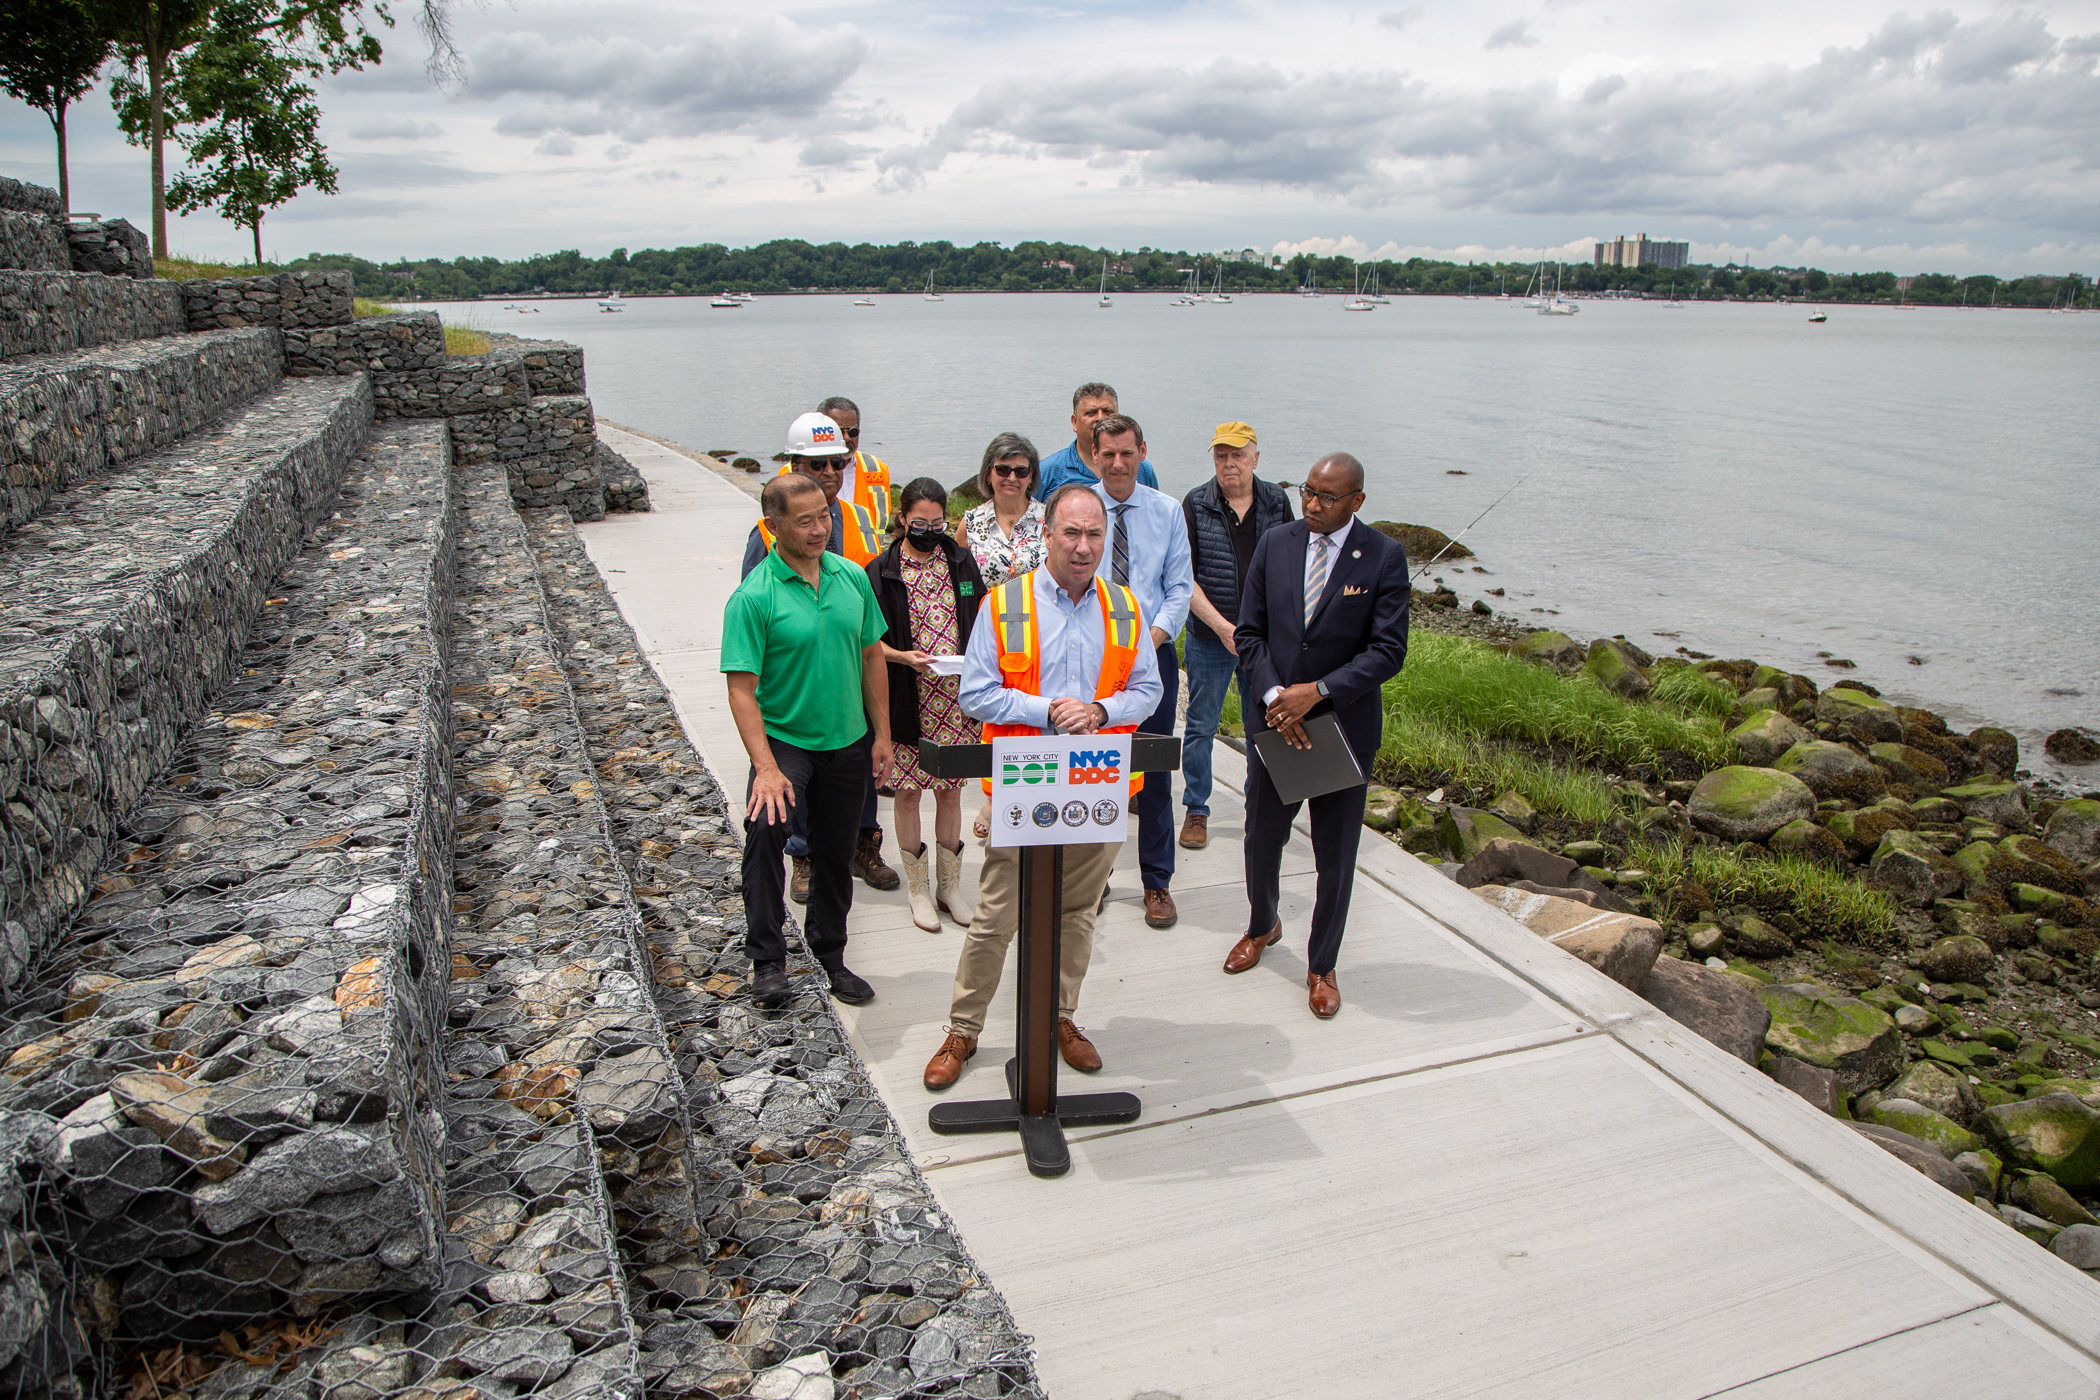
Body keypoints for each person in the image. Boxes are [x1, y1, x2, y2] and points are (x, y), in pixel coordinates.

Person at [921, 485, 1162, 1090]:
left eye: (1094, 535)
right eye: (1072, 534)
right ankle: (963, 1029)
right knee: (998, 914)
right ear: (1046, 535)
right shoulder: (1005, 604)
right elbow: (976, 692)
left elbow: (1148, 691)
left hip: (1097, 784)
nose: (1084, 548)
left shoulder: (1126, 608)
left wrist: (1102, 713)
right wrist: (1046, 709)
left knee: (1078, 912)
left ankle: (1061, 1018)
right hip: (1024, 783)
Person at [1228, 452, 1410, 1020]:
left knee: (1335, 855)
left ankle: (1322, 964)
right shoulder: (1276, 543)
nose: (1312, 504)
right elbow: (1250, 633)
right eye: (1307, 491)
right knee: (1261, 839)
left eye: (1327, 497)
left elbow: (1388, 651)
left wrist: (1320, 692)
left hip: (1342, 730)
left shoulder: (1384, 556)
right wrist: (1275, 700)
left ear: (1356, 501)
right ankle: (1262, 925)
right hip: (1275, 723)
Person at [721, 471, 895, 1009]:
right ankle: (768, 961)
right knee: (765, 833)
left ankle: (830, 954)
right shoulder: (752, 598)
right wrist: (766, 768)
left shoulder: (851, 577)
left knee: (837, 852)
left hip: (846, 741)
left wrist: (882, 733)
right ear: (773, 527)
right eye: (806, 521)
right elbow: (742, 690)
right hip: (785, 745)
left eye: (825, 515)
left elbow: (871, 655)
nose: (821, 528)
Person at [740, 407, 901, 899]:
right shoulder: (767, 533)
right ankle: (803, 854)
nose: (830, 473)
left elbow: (872, 591)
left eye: (837, 462)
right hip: (800, 683)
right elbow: (756, 618)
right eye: (817, 465)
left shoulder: (854, 518)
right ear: (794, 467)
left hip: (854, 667)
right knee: (800, 782)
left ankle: (863, 845)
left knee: (862, 774)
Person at [868, 478, 988, 932]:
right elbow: (866, 643)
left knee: (951, 789)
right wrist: (903, 658)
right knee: (908, 791)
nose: (929, 530)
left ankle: (949, 887)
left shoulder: (959, 560)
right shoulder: (881, 571)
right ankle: (918, 890)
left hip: (953, 699)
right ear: (902, 519)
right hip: (905, 696)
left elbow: (980, 618)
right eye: (920, 522)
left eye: (938, 523)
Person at [1088, 414, 1192, 929]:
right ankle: (1095, 877)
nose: (1118, 463)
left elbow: (1179, 589)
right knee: (1094, 769)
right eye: (1107, 454)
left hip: (1152, 657)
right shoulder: (1079, 508)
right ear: (1093, 455)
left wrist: (1149, 643)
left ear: (1142, 451)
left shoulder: (1167, 511)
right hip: (1089, 663)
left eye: (1127, 453)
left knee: (1151, 770)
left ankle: (1157, 882)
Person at [1179, 421, 1293, 850]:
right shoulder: (1195, 502)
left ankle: (1259, 807)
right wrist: (1225, 629)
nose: (1229, 463)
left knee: (1263, 724)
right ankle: (1196, 809)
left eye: (1238, 454)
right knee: (1201, 724)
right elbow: (1183, 578)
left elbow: (1292, 565)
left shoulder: (1277, 501)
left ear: (1255, 458)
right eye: (1221, 455)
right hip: (1211, 637)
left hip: (1262, 643)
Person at [960, 432, 1049, 840]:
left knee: (1034, 718)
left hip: (1042, 635)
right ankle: (997, 795)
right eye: (1003, 469)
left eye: (1021, 470)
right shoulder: (972, 521)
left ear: (1032, 475)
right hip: (990, 633)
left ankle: (1023, 797)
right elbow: (958, 577)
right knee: (996, 717)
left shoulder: (1049, 519)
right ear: (989, 473)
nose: (1011, 477)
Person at [1032, 382, 1160, 500]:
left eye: (1108, 411)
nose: (1100, 418)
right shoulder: (1048, 471)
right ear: (1075, 422)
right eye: (1091, 413)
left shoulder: (1142, 469)